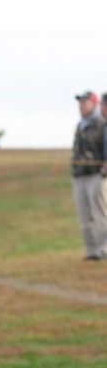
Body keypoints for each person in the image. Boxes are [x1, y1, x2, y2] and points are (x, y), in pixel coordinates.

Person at [69, 91, 107, 260]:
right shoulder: (80, 125)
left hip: (95, 174)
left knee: (99, 213)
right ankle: (91, 250)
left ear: (94, 104)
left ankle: (104, 248)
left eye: (85, 102)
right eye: (80, 103)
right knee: (84, 215)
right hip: (79, 175)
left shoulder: (101, 124)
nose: (81, 106)